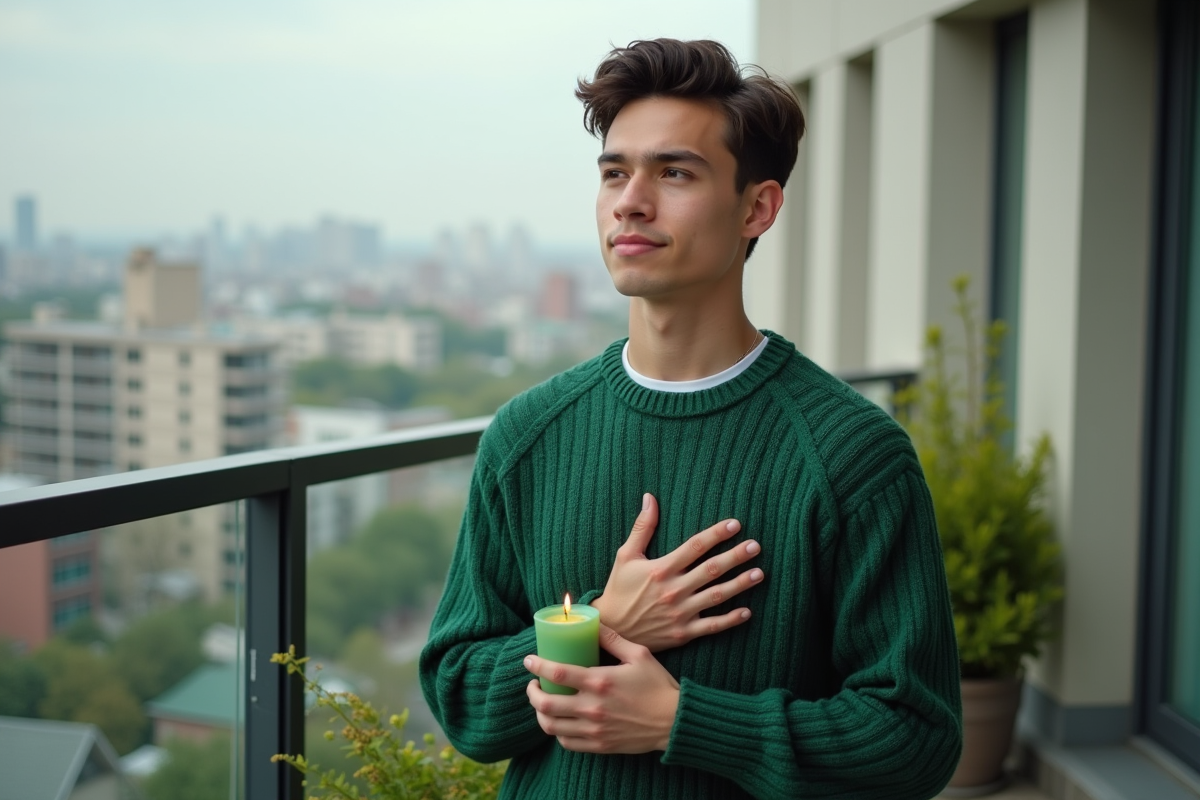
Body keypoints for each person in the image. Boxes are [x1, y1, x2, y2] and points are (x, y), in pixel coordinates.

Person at [419, 38, 962, 800]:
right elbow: (461, 698)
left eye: (674, 172)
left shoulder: (853, 456)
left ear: (758, 207)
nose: (630, 201)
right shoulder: (528, 435)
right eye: (615, 172)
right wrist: (606, 623)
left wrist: (685, 722)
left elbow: (916, 739)